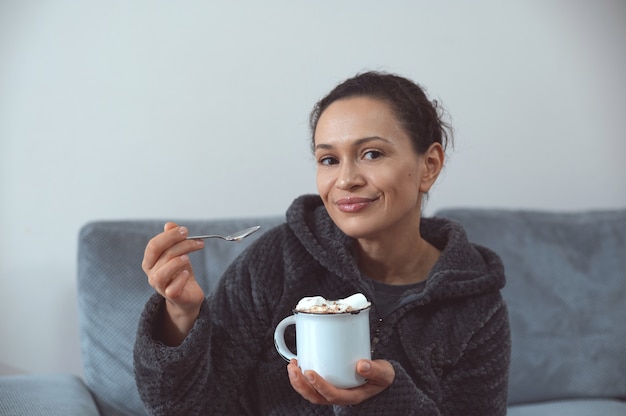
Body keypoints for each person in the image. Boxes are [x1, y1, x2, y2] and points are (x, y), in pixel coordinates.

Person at [134, 71, 511, 415]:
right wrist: (180, 316)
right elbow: (181, 409)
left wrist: (389, 396)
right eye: (329, 159)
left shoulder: (476, 306)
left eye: (372, 154)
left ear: (429, 165)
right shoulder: (277, 260)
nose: (345, 179)